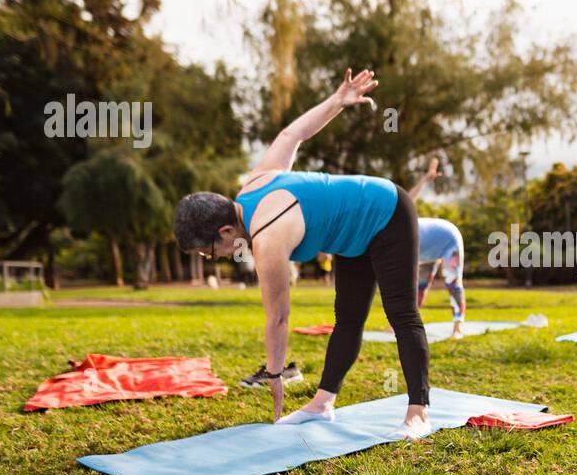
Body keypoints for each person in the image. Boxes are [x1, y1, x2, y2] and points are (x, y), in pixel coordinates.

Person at [172, 69, 432, 439]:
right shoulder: (255, 181)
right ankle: (323, 402)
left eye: (209, 251)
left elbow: (278, 318)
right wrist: (337, 101)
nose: (214, 258)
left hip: (387, 211)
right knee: (347, 318)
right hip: (352, 236)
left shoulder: (267, 238)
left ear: (226, 231)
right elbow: (291, 135)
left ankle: (419, 411)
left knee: (401, 314)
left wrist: (275, 376)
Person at [408, 158, 468, 338]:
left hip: (447, 239)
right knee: (419, 287)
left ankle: (458, 327)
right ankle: (408, 326)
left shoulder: (397, 223)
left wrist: (425, 180)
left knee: (452, 281)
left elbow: (408, 200)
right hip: (426, 252)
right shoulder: (385, 243)